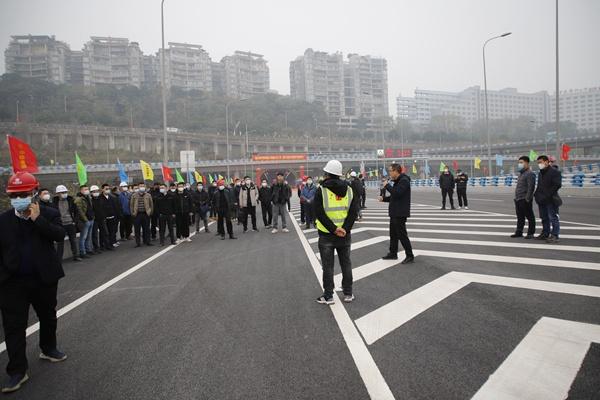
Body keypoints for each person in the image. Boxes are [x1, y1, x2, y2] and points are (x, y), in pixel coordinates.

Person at [0, 172, 67, 394]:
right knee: (13, 326)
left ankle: (48, 348)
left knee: (48, 315)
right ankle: (17, 371)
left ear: (35, 194)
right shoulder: (4, 220)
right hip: (12, 283)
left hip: (43, 279)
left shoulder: (49, 213)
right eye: (15, 194)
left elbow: (58, 235)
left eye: (24, 194)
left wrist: (37, 220)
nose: (19, 198)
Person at [314, 160, 359, 305]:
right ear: (339, 174)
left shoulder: (321, 190)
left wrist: (334, 229)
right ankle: (348, 293)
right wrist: (344, 229)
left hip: (327, 234)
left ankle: (329, 296)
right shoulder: (350, 190)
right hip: (344, 234)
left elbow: (319, 213)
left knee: (328, 266)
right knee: (346, 263)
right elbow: (353, 213)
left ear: (327, 173)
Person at [380, 163, 415, 264]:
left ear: (396, 171)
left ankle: (409, 255)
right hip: (395, 212)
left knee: (402, 235)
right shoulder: (397, 181)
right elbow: (394, 196)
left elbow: (397, 193)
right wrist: (384, 199)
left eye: (390, 171)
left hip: (400, 212)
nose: (389, 173)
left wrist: (387, 185)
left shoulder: (404, 181)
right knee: (393, 234)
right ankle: (393, 253)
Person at [534, 155, 562, 243]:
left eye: (540, 162)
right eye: (538, 163)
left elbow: (557, 185)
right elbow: (539, 185)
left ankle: (555, 235)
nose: (539, 164)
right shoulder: (540, 173)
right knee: (544, 217)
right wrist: (536, 195)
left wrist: (548, 194)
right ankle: (545, 233)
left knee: (553, 217)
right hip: (541, 199)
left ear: (546, 162)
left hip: (551, 199)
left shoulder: (554, 172)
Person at [51, 185, 81, 262]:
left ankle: (76, 256)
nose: (64, 194)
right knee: (60, 243)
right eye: (62, 192)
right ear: (58, 194)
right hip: (60, 225)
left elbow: (77, 211)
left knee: (73, 241)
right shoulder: (54, 202)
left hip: (70, 224)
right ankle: (59, 260)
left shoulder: (71, 200)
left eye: (65, 192)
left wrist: (75, 221)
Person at [511, 156, 536, 239]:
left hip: (525, 199)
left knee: (530, 217)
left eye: (521, 162)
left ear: (527, 163)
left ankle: (530, 233)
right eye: (519, 162)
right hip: (518, 198)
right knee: (520, 217)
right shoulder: (521, 174)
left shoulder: (530, 174)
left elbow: (531, 187)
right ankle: (519, 232)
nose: (519, 164)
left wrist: (527, 199)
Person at [74, 185, 95, 258]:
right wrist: (85, 220)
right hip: (85, 221)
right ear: (81, 191)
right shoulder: (78, 199)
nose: (87, 190)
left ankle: (88, 249)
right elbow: (80, 211)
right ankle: (82, 252)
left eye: (87, 189)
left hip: (91, 219)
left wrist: (93, 217)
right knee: (83, 237)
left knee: (88, 236)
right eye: (85, 189)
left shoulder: (88, 197)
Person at [130, 182, 154, 247]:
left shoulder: (148, 195)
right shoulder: (134, 195)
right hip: (137, 214)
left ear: (145, 187)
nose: (142, 187)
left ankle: (147, 241)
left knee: (146, 228)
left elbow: (151, 204)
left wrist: (150, 212)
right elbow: (131, 205)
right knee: (137, 229)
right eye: (141, 186)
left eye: (143, 186)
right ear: (138, 187)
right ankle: (138, 243)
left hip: (146, 214)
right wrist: (132, 213)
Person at [90, 185, 112, 252]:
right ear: (91, 192)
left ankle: (106, 246)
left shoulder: (101, 199)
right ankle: (96, 248)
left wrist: (104, 216)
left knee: (105, 233)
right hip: (95, 219)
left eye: (97, 191)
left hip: (102, 218)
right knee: (95, 235)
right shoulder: (90, 200)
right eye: (94, 191)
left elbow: (103, 208)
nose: (95, 192)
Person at [100, 183, 120, 248]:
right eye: (106, 189)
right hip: (104, 218)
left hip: (112, 217)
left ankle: (111, 243)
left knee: (112, 231)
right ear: (102, 189)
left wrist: (115, 215)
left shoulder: (112, 197)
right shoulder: (100, 198)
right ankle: (105, 245)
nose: (107, 190)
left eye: (108, 189)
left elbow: (115, 207)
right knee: (105, 232)